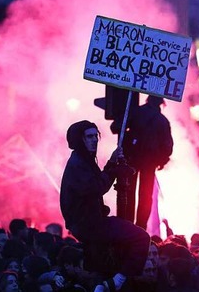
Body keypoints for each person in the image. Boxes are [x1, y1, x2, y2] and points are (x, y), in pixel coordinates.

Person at [60, 120, 150, 292]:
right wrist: (114, 171)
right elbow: (97, 187)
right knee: (141, 238)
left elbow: (98, 183)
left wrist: (111, 163)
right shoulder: (78, 163)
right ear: (79, 139)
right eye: (89, 136)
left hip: (91, 222)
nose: (94, 140)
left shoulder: (84, 160)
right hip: (89, 224)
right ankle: (118, 280)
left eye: (96, 136)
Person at [113, 95, 173, 229]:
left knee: (128, 192)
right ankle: (140, 227)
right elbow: (167, 145)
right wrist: (162, 160)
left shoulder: (135, 112)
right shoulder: (162, 121)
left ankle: (126, 224)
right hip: (150, 163)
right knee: (146, 196)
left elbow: (115, 126)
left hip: (131, 159)